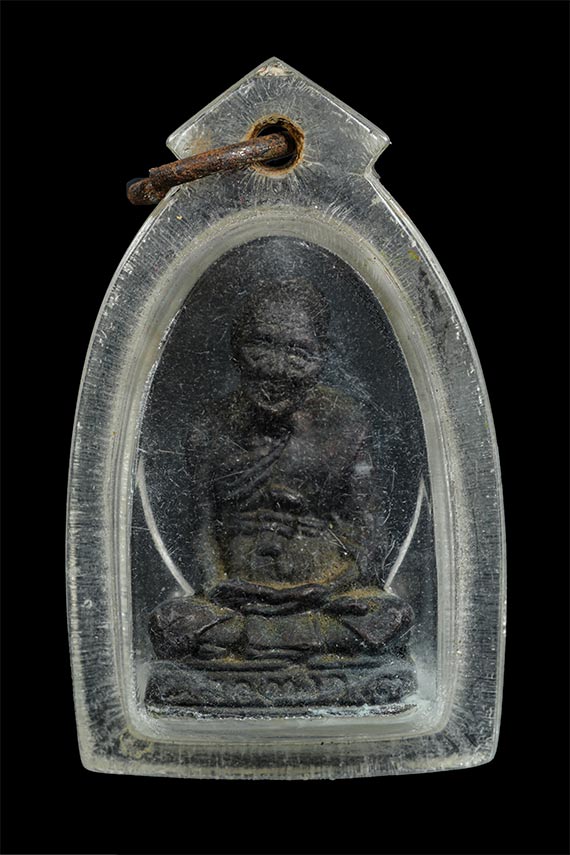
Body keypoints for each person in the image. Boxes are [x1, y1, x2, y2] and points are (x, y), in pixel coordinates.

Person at [149, 279, 413, 662]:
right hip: (237, 599)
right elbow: (202, 528)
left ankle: (259, 642)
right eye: (260, 345)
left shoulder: (345, 423)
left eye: (298, 351)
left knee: (390, 616)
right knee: (171, 622)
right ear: (235, 348)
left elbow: (367, 532)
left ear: (323, 355)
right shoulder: (210, 427)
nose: (276, 367)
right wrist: (218, 585)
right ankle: (297, 641)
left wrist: (332, 587)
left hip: (323, 599)